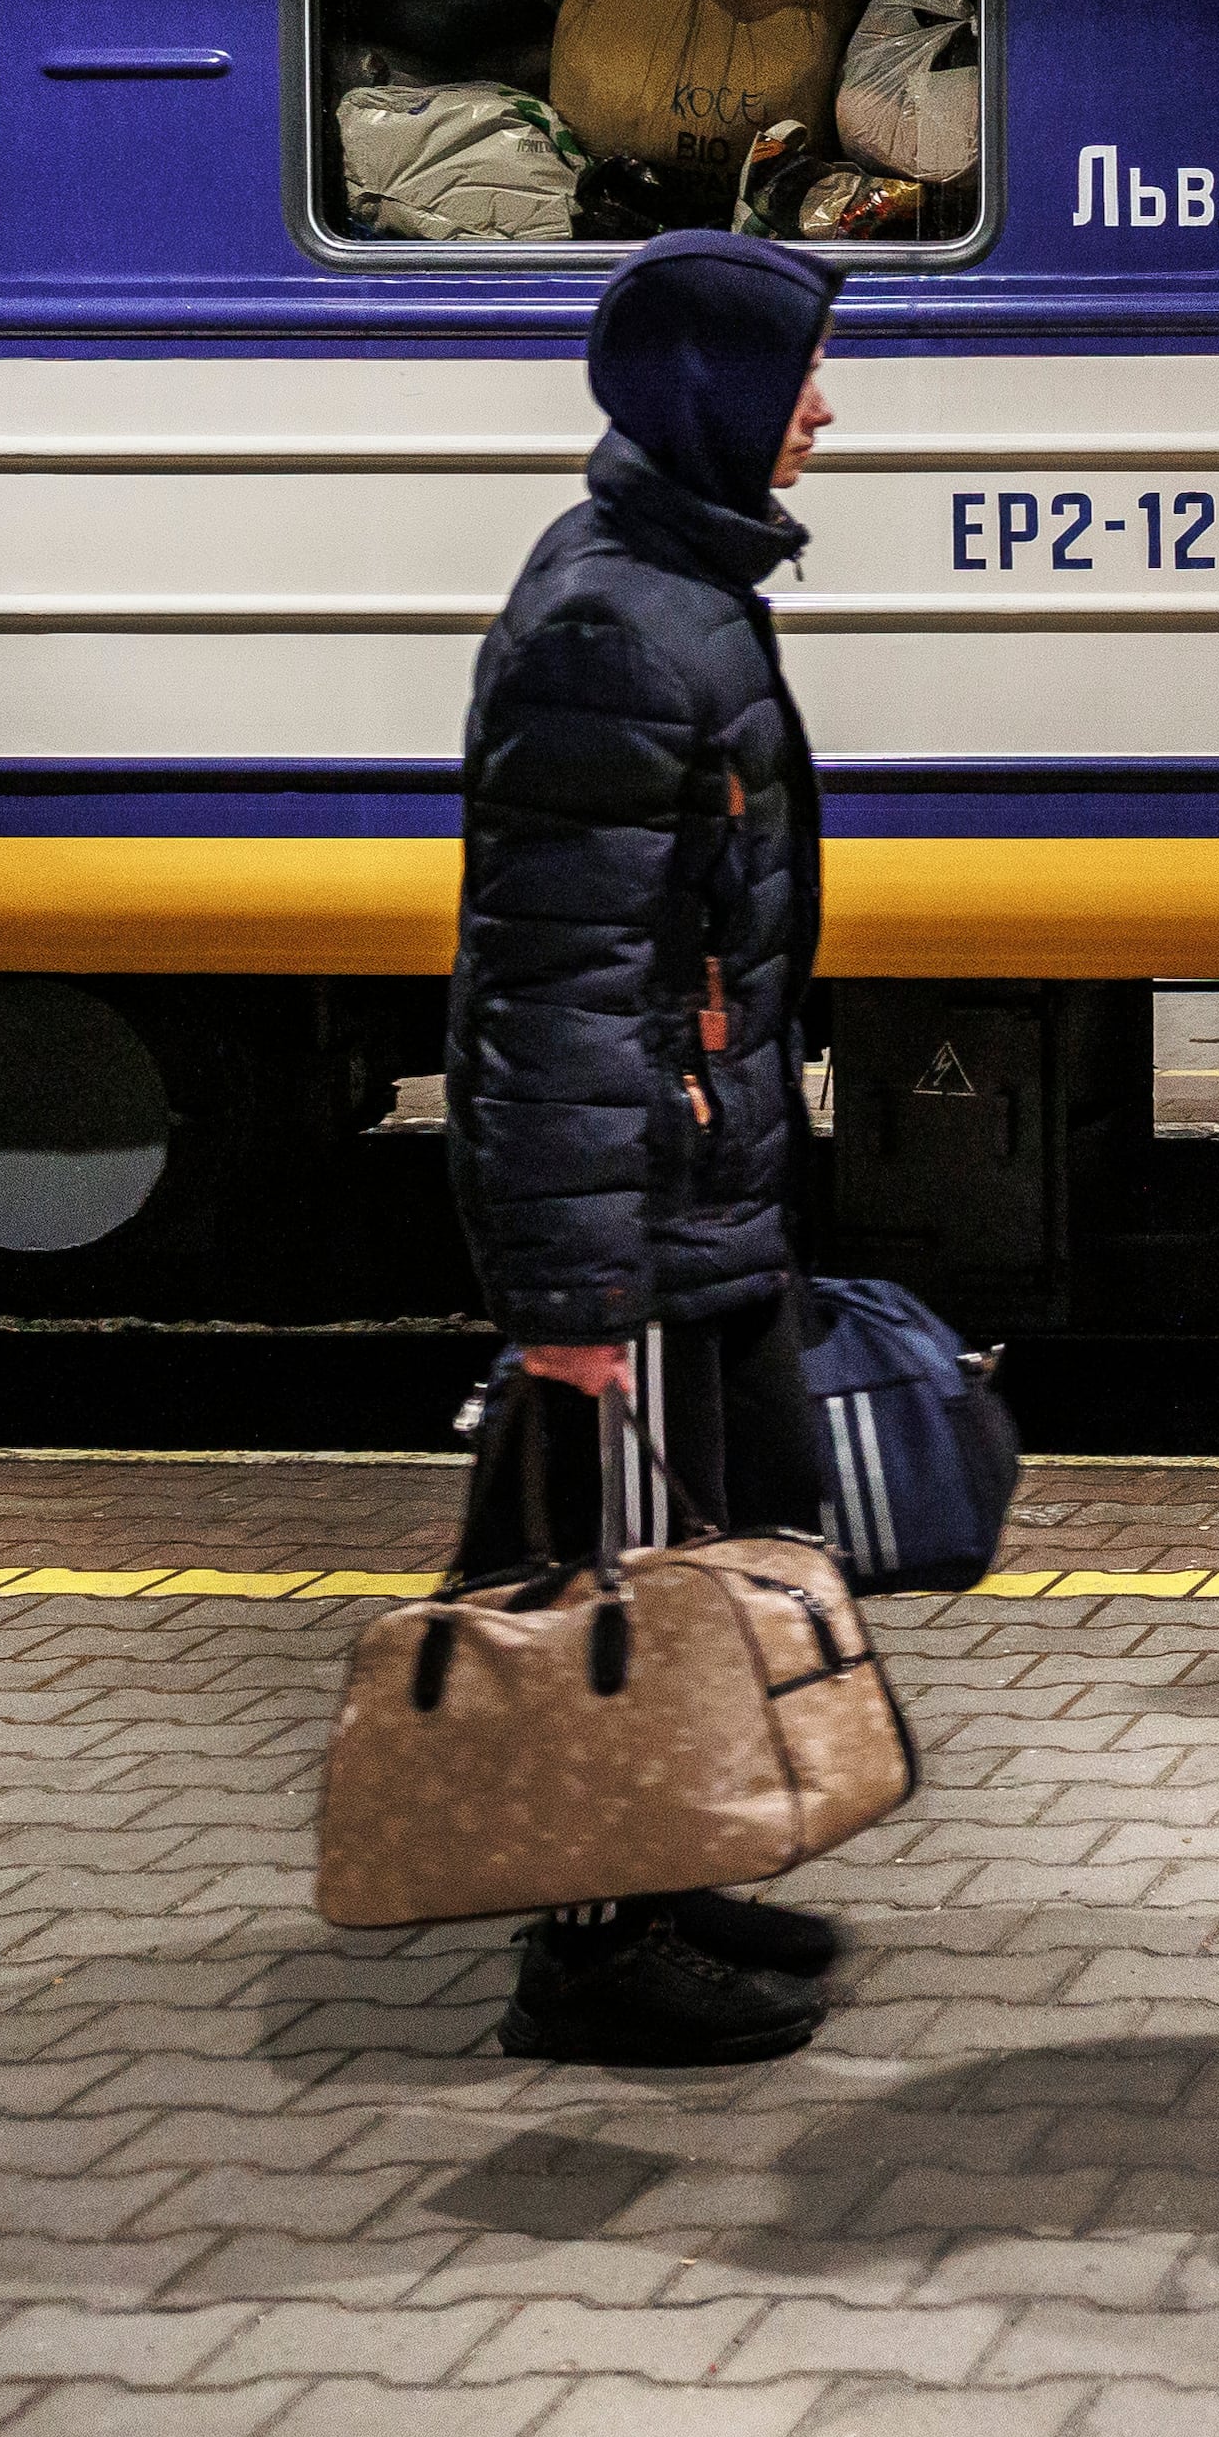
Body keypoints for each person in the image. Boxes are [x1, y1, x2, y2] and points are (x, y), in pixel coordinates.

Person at [447, 227, 849, 2066]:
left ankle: (669, 1872)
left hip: (695, 1170)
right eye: (795, 382)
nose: (825, 412)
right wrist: (577, 1288)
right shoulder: (615, 620)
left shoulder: (676, 585)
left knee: (701, 1547)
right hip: (644, 1195)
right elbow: (562, 985)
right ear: (715, 400)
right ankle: (587, 1947)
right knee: (612, 1568)